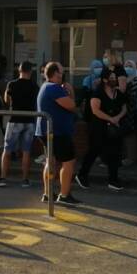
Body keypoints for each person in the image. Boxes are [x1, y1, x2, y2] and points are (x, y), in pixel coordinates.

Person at [37, 61, 80, 205]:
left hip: (47, 130)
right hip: (58, 132)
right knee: (68, 162)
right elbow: (71, 105)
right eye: (61, 72)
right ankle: (64, 194)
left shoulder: (45, 86)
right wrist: (71, 91)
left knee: (51, 161)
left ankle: (48, 193)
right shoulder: (55, 88)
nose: (63, 75)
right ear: (55, 74)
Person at [0, 60, 37, 188]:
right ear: (30, 71)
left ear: (19, 70)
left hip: (15, 119)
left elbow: (7, 100)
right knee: (26, 152)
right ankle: (25, 180)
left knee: (7, 150)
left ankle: (2, 178)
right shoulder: (35, 85)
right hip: (29, 120)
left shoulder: (12, 84)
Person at [88, 66, 129, 191]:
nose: (114, 80)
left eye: (115, 77)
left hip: (115, 129)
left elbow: (124, 107)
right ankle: (82, 174)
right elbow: (95, 110)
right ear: (105, 80)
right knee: (95, 151)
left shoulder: (118, 94)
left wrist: (117, 118)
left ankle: (113, 180)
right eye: (111, 78)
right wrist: (110, 119)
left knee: (115, 154)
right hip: (100, 128)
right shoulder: (98, 93)